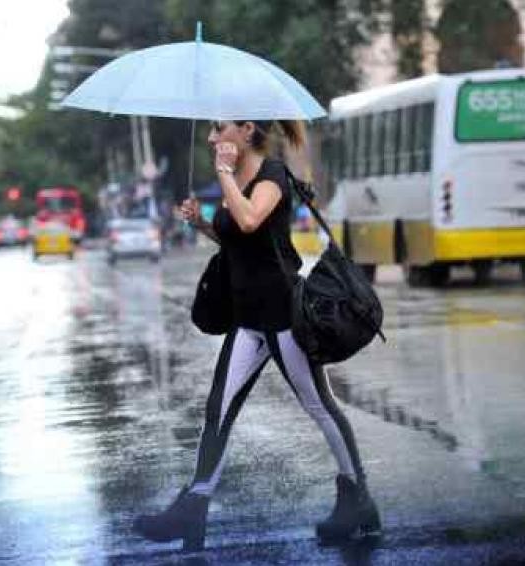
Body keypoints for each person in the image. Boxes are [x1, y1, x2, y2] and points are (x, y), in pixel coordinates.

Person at [133, 119, 381, 551]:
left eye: (218, 130)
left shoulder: (272, 175)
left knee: (319, 406)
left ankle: (358, 500)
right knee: (218, 410)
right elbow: (236, 239)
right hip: (247, 319)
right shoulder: (234, 175)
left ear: (246, 131)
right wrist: (202, 225)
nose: (212, 139)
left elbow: (249, 221)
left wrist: (225, 176)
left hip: (285, 316)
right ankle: (194, 510)